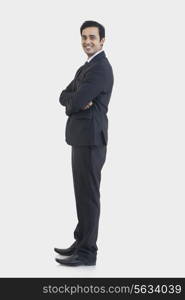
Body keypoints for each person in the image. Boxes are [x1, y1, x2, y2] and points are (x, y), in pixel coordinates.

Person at [55, 20, 114, 266]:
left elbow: (77, 100)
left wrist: (77, 101)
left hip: (90, 140)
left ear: (102, 41)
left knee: (88, 196)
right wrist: (76, 100)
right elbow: (64, 96)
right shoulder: (86, 67)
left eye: (92, 37)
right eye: (83, 37)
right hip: (81, 138)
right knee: (81, 193)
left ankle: (88, 252)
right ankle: (81, 241)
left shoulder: (100, 68)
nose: (87, 41)